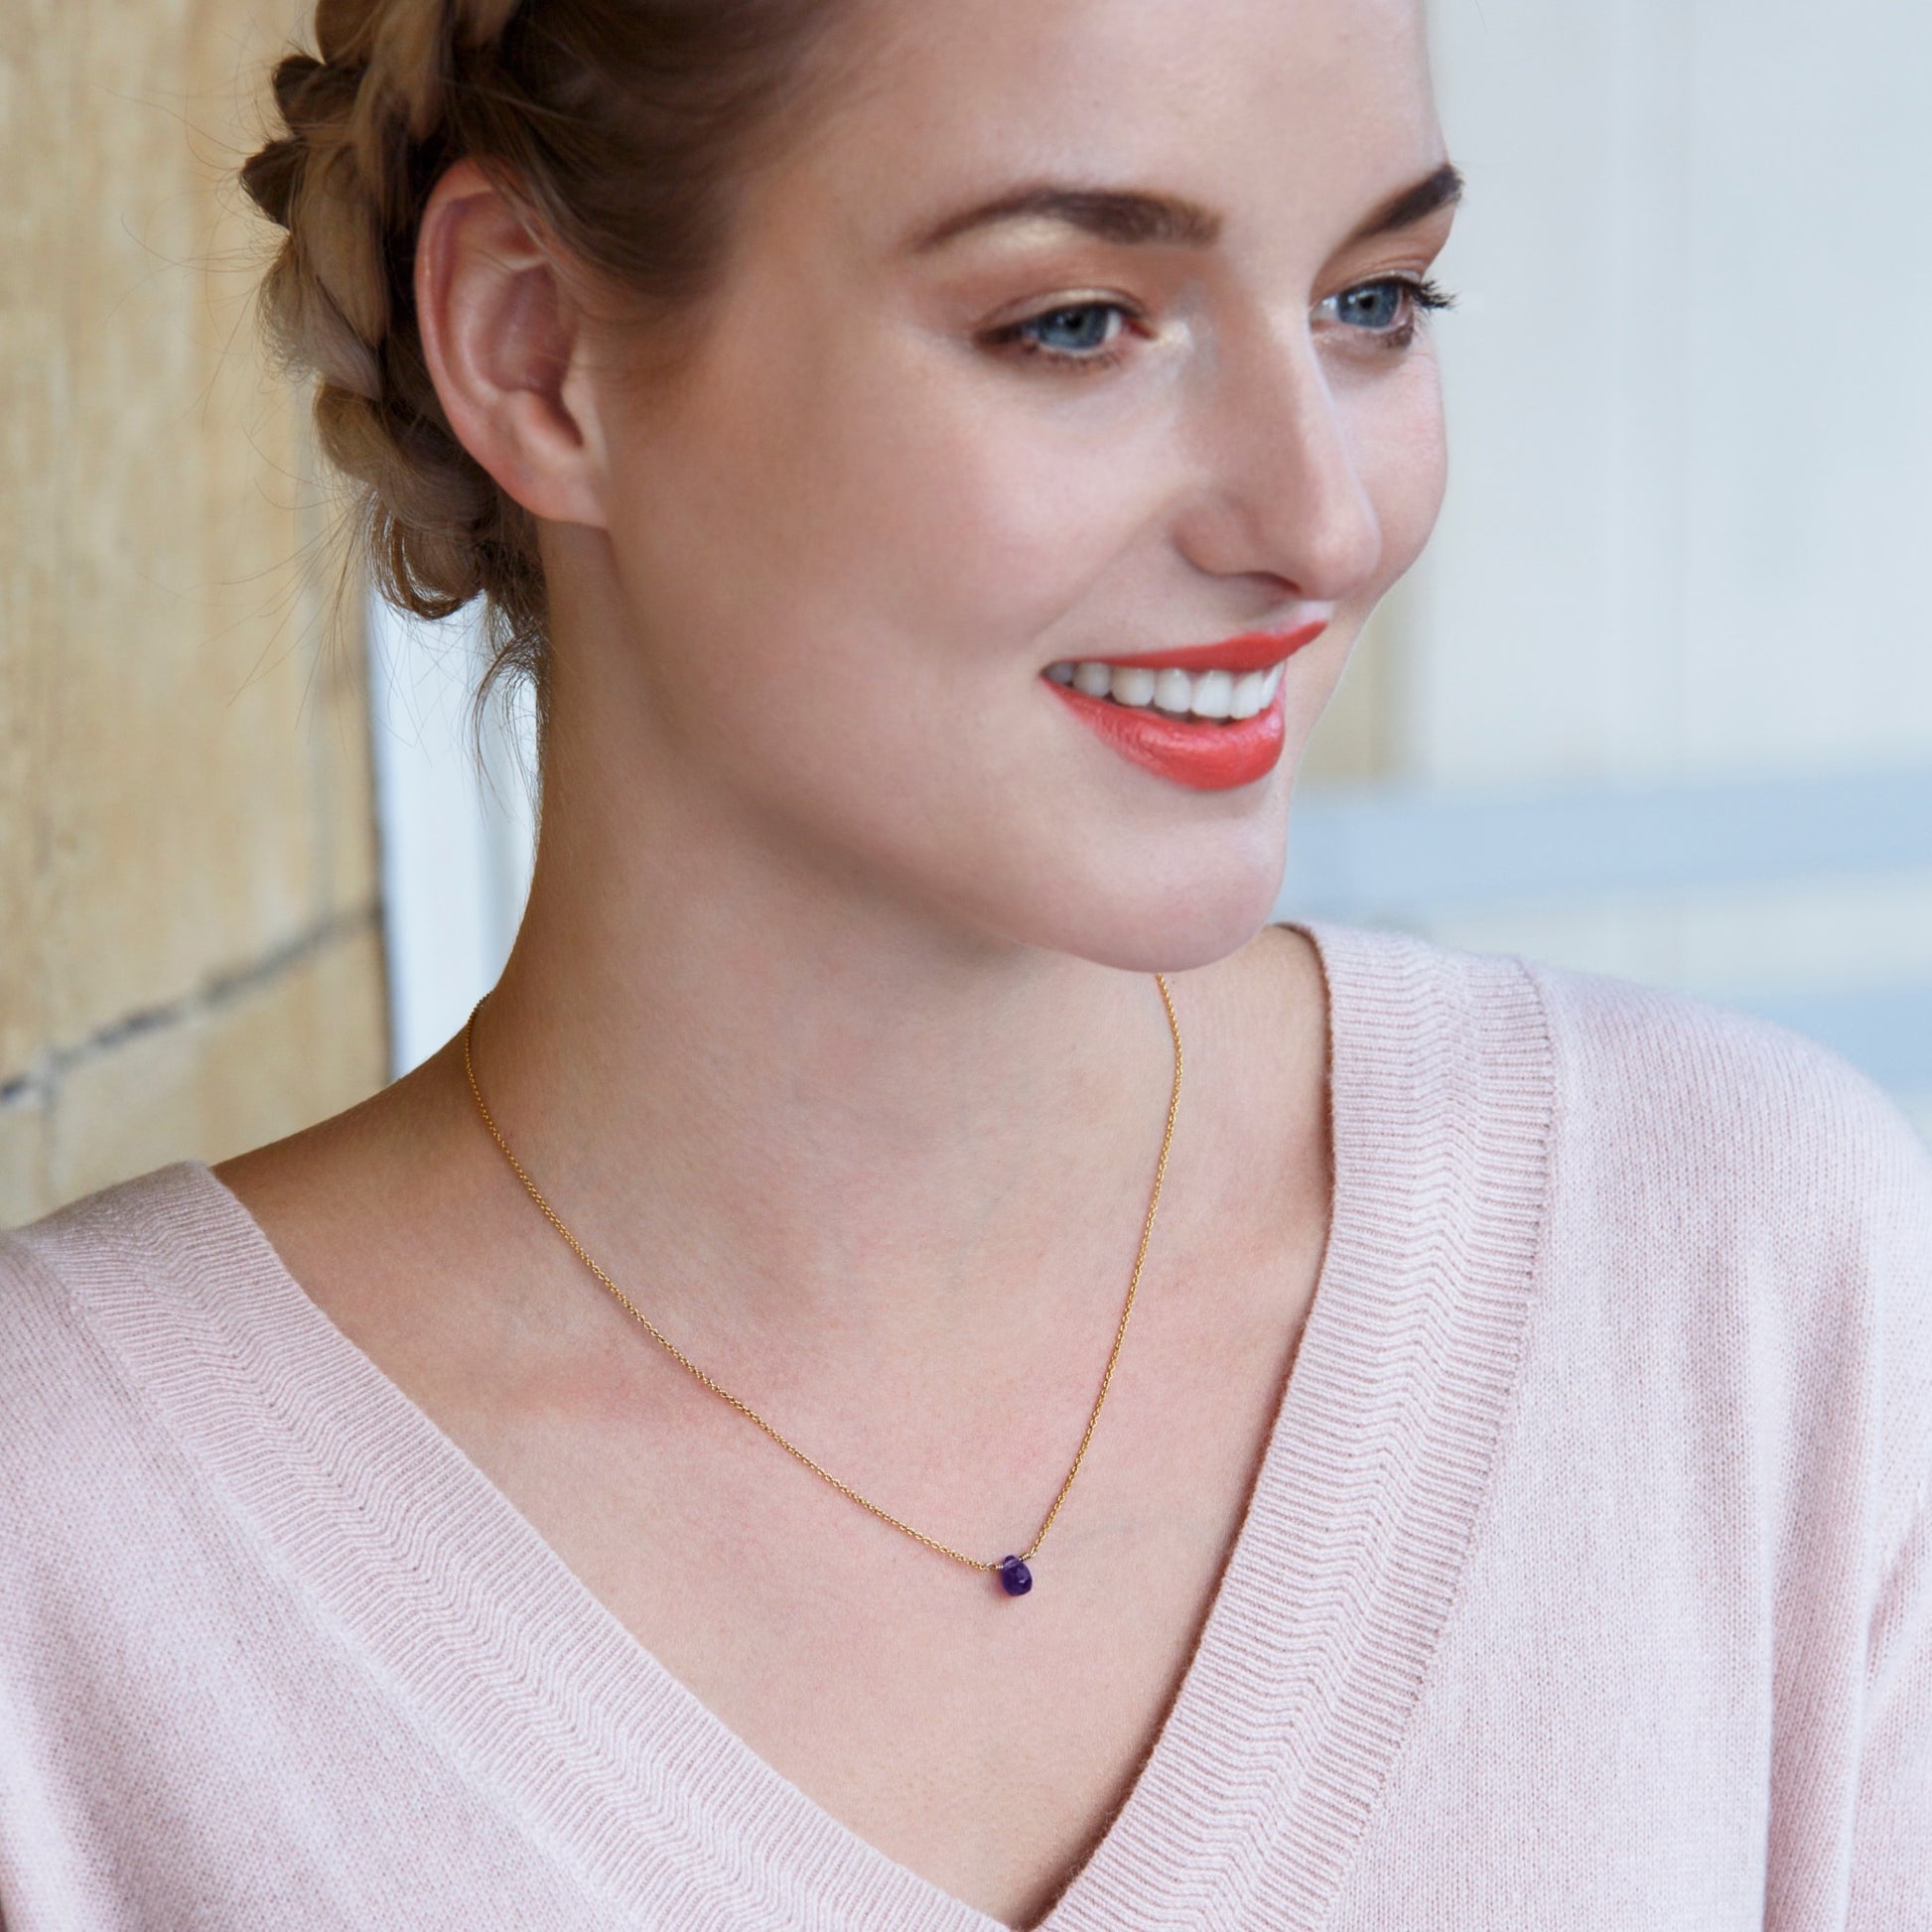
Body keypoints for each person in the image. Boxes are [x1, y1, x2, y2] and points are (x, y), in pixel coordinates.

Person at [2, 0, 1927, 1924]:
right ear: (537, 352)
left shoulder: (1752, 1287)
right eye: (1077, 323)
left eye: (1374, 303)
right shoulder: (69, 1560)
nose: (1322, 521)